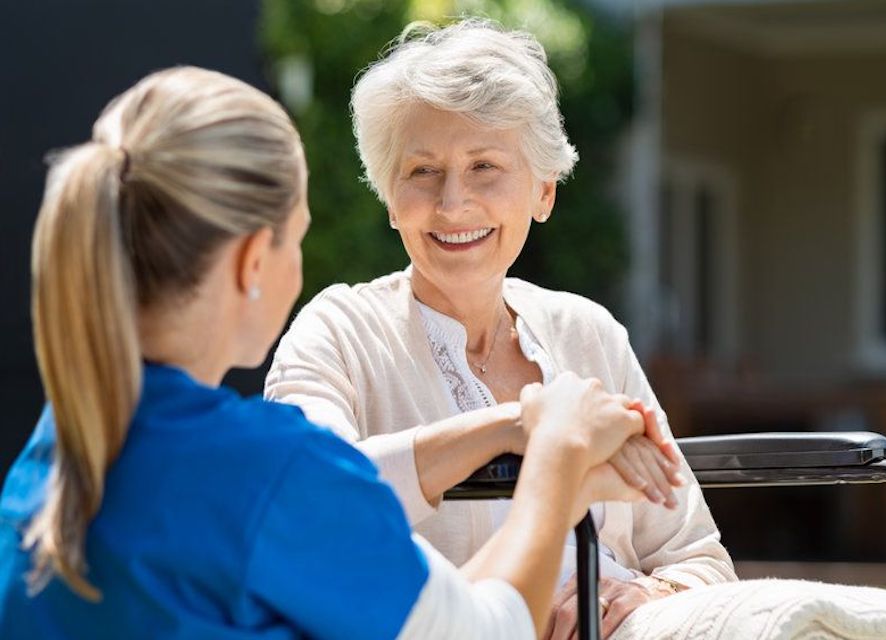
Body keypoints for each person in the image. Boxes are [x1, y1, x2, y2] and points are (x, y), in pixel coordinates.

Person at [0, 66, 672, 639]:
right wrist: (556, 452)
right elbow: (483, 632)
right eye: (297, 237)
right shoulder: (271, 470)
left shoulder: (57, 450)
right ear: (250, 262)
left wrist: (521, 431)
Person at [265, 18, 736, 639]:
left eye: (484, 166)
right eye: (422, 171)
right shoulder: (338, 331)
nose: (453, 203)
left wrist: (638, 595)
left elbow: (698, 557)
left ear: (543, 192)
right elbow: (310, 500)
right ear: (389, 197)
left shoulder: (588, 332)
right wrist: (518, 426)